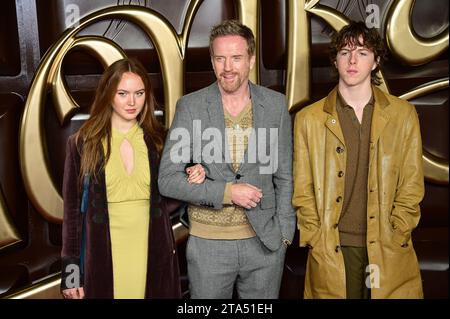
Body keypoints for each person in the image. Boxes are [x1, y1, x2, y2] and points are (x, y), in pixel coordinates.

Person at [158, 19, 295, 299]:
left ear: (251, 59)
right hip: (208, 245)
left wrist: (284, 235)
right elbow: (168, 180)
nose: (228, 67)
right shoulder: (191, 106)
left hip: (264, 244)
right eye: (220, 58)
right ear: (212, 61)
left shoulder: (276, 105)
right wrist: (228, 192)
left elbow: (284, 175)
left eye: (236, 58)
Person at [292, 21, 424, 299]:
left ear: (375, 61)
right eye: (344, 52)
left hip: (387, 246)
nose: (352, 60)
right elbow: (302, 190)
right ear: (335, 60)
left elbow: (412, 183)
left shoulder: (403, 115)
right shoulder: (309, 119)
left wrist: (398, 229)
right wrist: (315, 236)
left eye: (362, 53)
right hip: (333, 246)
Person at [60, 58, 205, 299]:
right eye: (123, 93)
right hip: (103, 254)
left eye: (139, 93)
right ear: (108, 94)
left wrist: (193, 177)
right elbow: (72, 214)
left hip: (153, 250)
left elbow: (169, 195)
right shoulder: (82, 143)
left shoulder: (161, 140)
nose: (132, 102)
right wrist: (71, 275)